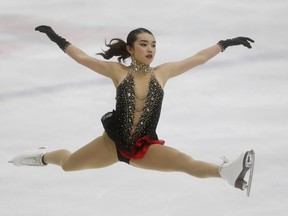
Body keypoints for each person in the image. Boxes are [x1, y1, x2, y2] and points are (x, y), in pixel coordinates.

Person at [9, 25, 255, 192]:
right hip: (111, 144)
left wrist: (224, 43)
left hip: (143, 147)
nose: (150, 50)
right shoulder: (118, 72)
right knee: (68, 164)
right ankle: (42, 156)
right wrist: (56, 38)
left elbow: (197, 58)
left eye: (154, 45)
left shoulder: (162, 73)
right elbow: (83, 58)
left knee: (185, 163)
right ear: (130, 49)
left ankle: (228, 173)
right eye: (144, 44)